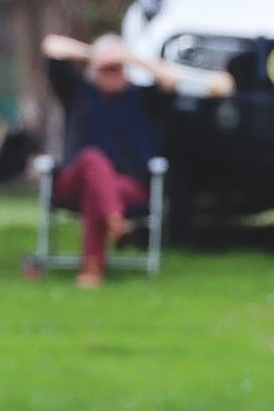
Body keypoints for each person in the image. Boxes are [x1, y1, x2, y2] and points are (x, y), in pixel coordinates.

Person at [40, 33, 180, 288]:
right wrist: (95, 51)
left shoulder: (143, 98)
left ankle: (93, 268)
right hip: (74, 182)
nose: (112, 74)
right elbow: (52, 46)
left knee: (99, 189)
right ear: (94, 69)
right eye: (106, 69)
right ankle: (115, 223)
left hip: (127, 187)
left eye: (117, 68)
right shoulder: (77, 92)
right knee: (93, 160)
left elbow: (171, 79)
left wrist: (131, 57)